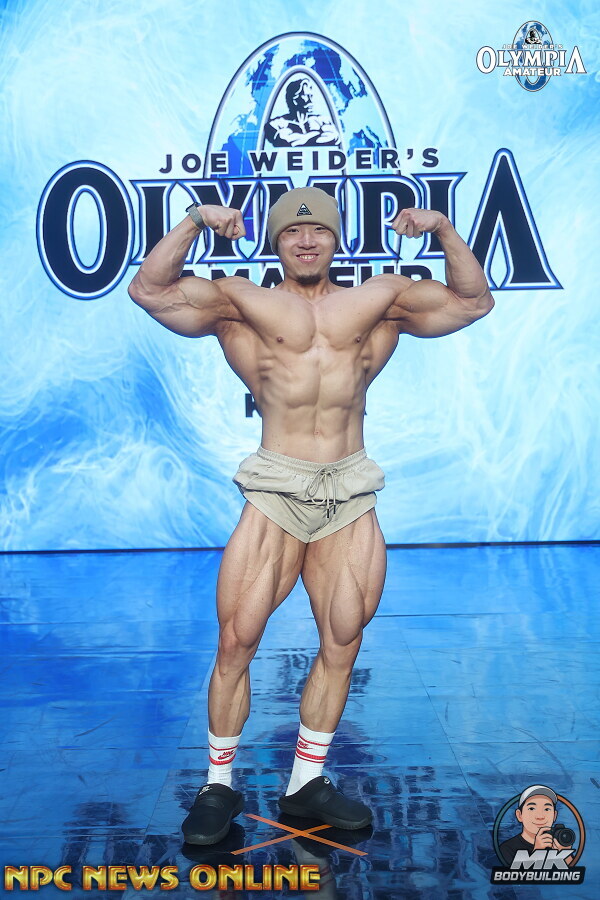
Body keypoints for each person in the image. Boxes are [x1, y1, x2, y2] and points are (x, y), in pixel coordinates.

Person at [127, 186, 494, 845]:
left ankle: (306, 783)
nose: (306, 240)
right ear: (276, 241)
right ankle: (218, 785)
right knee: (237, 639)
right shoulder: (241, 302)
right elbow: (149, 290)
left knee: (343, 638)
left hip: (349, 485)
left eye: (319, 230)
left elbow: (473, 301)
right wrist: (197, 220)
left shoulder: (380, 301)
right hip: (277, 485)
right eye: (292, 232)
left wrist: (441, 227)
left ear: (335, 238)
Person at [499, 785, 575, 866]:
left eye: (547, 809)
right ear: (519, 815)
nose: (540, 816)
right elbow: (514, 873)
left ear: (554, 816)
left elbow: (574, 872)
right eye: (532, 808)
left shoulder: (558, 843)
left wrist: (565, 854)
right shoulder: (507, 848)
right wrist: (537, 852)